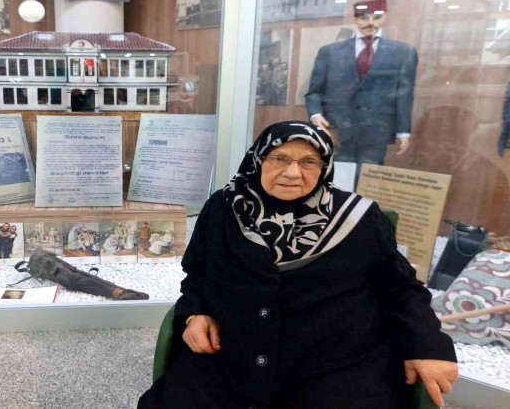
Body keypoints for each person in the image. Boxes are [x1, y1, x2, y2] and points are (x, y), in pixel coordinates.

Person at [139, 121, 457, 408]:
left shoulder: (358, 219)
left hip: (334, 367)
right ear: (258, 159)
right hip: (231, 355)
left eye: (308, 161)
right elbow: (198, 271)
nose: (293, 173)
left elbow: (401, 288)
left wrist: (427, 345)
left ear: (324, 166)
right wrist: (195, 312)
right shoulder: (224, 208)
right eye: (279, 159)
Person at [306, 0, 417, 184]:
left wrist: (403, 131)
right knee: (337, 180)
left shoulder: (403, 53)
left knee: (368, 182)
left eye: (377, 17)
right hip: (338, 129)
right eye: (364, 18)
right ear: (355, 19)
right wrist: (316, 114)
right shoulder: (330, 52)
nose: (370, 23)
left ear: (385, 18)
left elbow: (405, 95)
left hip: (377, 130)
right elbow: (315, 91)